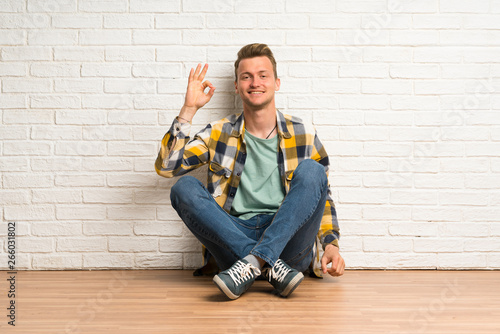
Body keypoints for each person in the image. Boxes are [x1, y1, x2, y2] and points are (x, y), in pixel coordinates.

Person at [155, 43, 344, 300]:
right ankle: (268, 266)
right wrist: (189, 110)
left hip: (287, 241)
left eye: (263, 75)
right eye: (246, 77)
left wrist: (330, 244)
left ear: (276, 83)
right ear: (236, 86)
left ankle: (254, 263)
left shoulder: (304, 132)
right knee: (182, 188)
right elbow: (168, 167)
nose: (255, 82)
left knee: (312, 171)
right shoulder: (219, 132)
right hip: (233, 237)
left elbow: (322, 195)